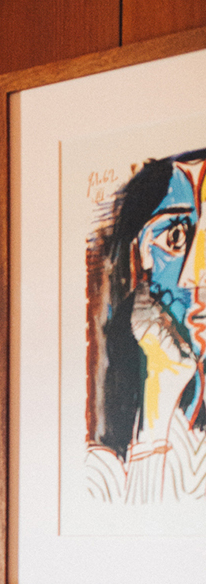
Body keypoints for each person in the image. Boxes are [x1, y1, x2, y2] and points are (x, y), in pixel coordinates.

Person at [87, 149, 206, 504]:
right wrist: (159, 392)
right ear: (139, 257)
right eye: (175, 238)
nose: (196, 276)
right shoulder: (101, 470)